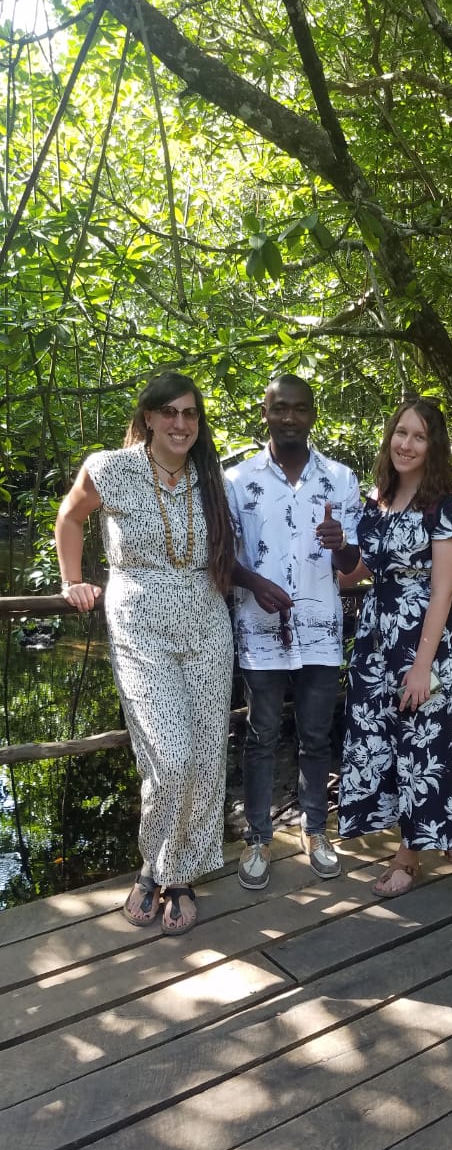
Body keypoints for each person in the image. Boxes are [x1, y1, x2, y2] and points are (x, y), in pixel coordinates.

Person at [55, 371, 236, 935]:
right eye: (170, 412)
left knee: (205, 758)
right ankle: (153, 867)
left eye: (190, 413)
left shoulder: (210, 476)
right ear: (150, 417)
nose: (181, 423)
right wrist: (72, 579)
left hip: (207, 628)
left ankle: (177, 875)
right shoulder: (111, 468)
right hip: (141, 630)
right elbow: (70, 516)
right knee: (170, 757)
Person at [226, 373, 361, 890]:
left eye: (299, 408)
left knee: (316, 736)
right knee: (261, 737)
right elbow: (221, 558)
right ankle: (258, 838)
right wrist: (253, 582)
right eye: (279, 408)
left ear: (312, 414)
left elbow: (350, 566)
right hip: (260, 630)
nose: (289, 418)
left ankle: (315, 830)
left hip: (322, 630)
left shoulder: (341, 479)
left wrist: (341, 543)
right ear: (265, 412)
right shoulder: (236, 480)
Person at [337, 395, 452, 896]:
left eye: (419, 436)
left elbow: (443, 592)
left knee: (420, 743)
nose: (406, 444)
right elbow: (358, 573)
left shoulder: (444, 507)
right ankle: (437, 831)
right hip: (375, 637)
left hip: (423, 641)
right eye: (401, 433)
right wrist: (338, 548)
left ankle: (409, 857)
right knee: (376, 737)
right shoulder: (378, 498)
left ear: (434, 447)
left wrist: (421, 666)